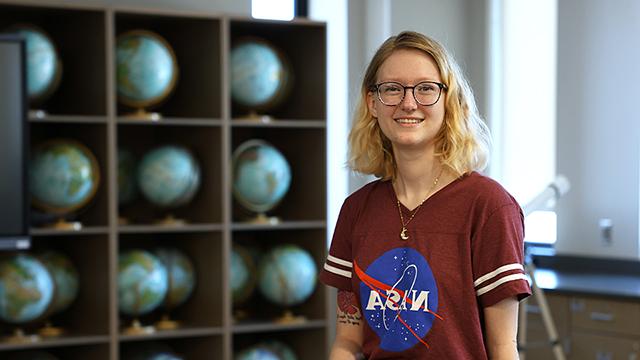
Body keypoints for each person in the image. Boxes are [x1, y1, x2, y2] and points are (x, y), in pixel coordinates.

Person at [319, 31, 531, 359]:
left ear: (450, 101)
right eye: (392, 88)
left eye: (426, 89)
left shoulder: (489, 207)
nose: (408, 102)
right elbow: (348, 341)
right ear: (372, 103)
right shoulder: (356, 210)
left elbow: (504, 347)